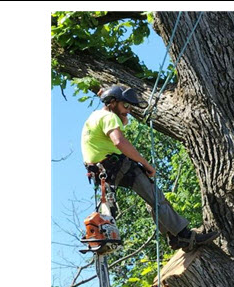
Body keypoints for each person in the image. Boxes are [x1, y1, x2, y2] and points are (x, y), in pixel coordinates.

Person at [80, 84, 219, 251]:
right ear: (113, 102)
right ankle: (185, 237)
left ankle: (101, 230)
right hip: (118, 166)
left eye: (130, 107)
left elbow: (119, 126)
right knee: (156, 198)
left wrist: (122, 113)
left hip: (102, 172)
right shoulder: (110, 117)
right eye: (125, 105)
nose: (128, 110)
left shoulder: (95, 117)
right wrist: (146, 165)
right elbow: (119, 141)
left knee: (133, 201)